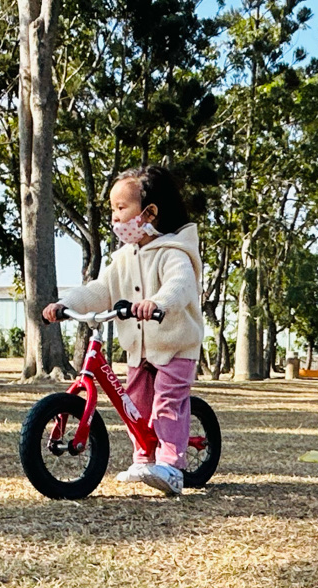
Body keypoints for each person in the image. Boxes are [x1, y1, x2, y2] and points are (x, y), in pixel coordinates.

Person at [42, 166, 203, 497]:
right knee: (136, 405)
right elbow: (100, 290)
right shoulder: (123, 259)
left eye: (121, 208)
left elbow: (180, 286)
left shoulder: (175, 252)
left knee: (167, 403)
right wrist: (65, 304)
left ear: (149, 213)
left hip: (175, 345)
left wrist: (157, 302)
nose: (115, 218)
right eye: (112, 210)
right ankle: (144, 459)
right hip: (139, 349)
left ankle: (172, 467)